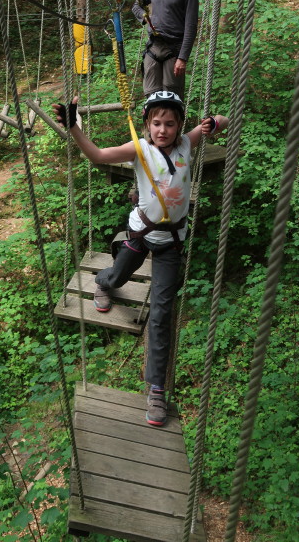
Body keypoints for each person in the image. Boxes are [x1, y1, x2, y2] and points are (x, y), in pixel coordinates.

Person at [53, 91, 228, 427]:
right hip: (140, 234)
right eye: (157, 122)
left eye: (170, 123)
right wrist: (74, 127)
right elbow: (98, 155)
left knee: (161, 313)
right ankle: (102, 283)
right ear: (147, 123)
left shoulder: (188, 145)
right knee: (116, 277)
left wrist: (214, 122)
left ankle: (156, 389)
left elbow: (229, 121)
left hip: (172, 244)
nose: (163, 129)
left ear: (180, 126)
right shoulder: (140, 149)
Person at [132, 0, 199, 100]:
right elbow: (136, 6)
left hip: (174, 50)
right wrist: (144, 17)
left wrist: (182, 58)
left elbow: (191, 25)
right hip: (153, 47)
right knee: (150, 98)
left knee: (172, 99)